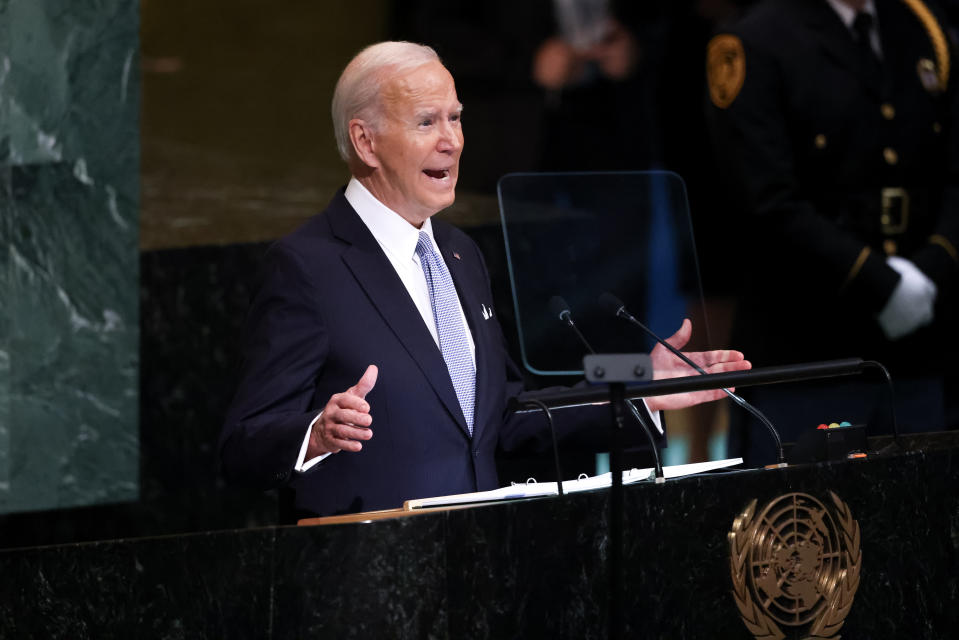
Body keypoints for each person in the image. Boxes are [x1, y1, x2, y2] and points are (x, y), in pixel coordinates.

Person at [219, 41, 750, 517]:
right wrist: (316, 433)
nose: (452, 140)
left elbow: (505, 417)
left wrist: (637, 391)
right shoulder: (307, 266)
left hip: (477, 571)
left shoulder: (460, 253)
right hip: (368, 580)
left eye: (456, 118)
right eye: (427, 122)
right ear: (366, 141)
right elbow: (243, 445)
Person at [705, 0, 959, 461]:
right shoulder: (754, 41)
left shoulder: (925, 28)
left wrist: (934, 265)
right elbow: (768, 202)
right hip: (807, 354)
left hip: (918, 350)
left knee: (923, 523)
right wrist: (881, 283)